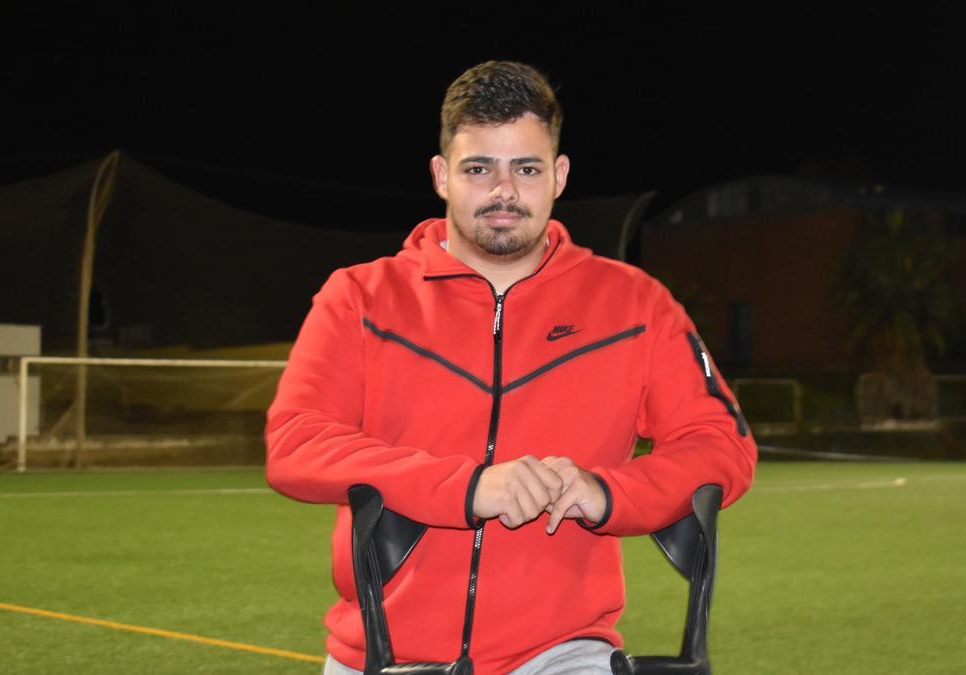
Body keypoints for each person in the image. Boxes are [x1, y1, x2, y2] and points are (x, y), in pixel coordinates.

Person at [265, 60, 757, 675]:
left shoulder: (636, 305)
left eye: (525, 168)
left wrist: (608, 493)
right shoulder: (360, 297)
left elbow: (722, 446)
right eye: (479, 169)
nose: (504, 192)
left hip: (564, 653)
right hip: (381, 657)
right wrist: (468, 487)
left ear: (559, 174)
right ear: (442, 175)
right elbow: (296, 444)